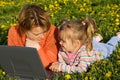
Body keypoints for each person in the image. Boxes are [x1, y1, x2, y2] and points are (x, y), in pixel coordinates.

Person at [49, 17, 120, 73]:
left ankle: (117, 38)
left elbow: (82, 70)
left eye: (63, 41)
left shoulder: (84, 53)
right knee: (89, 42)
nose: (60, 43)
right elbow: (62, 63)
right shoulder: (63, 50)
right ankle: (95, 39)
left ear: (77, 43)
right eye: (60, 40)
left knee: (111, 47)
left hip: (100, 51)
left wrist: (61, 67)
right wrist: (58, 65)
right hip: (87, 44)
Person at [8, 4, 60, 69]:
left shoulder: (52, 31)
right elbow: (12, 60)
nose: (42, 36)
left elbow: (50, 65)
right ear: (24, 30)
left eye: (44, 32)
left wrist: (36, 47)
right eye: (36, 34)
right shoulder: (14, 31)